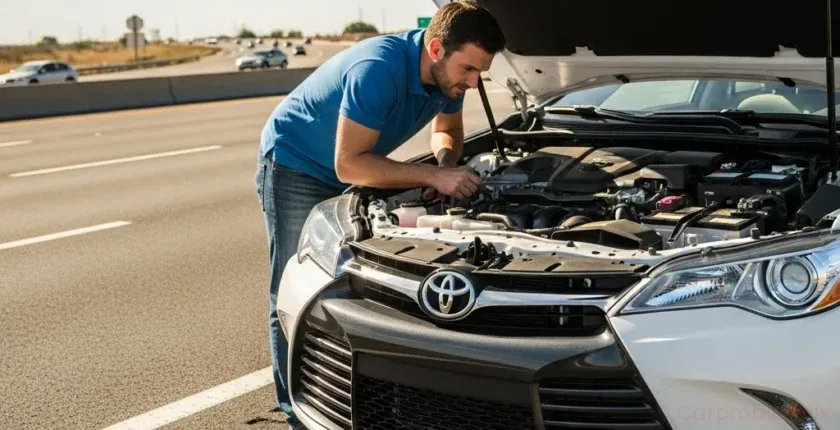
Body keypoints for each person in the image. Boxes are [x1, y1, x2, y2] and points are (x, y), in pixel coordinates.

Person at [253, 0, 506, 426]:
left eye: (481, 72)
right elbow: (349, 165)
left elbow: (446, 131)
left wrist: (446, 166)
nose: (473, 81)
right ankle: (295, 413)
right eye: (468, 70)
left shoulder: (447, 82)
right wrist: (433, 178)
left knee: (349, 283)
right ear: (437, 49)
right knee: (296, 286)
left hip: (350, 161)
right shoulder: (379, 69)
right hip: (295, 164)